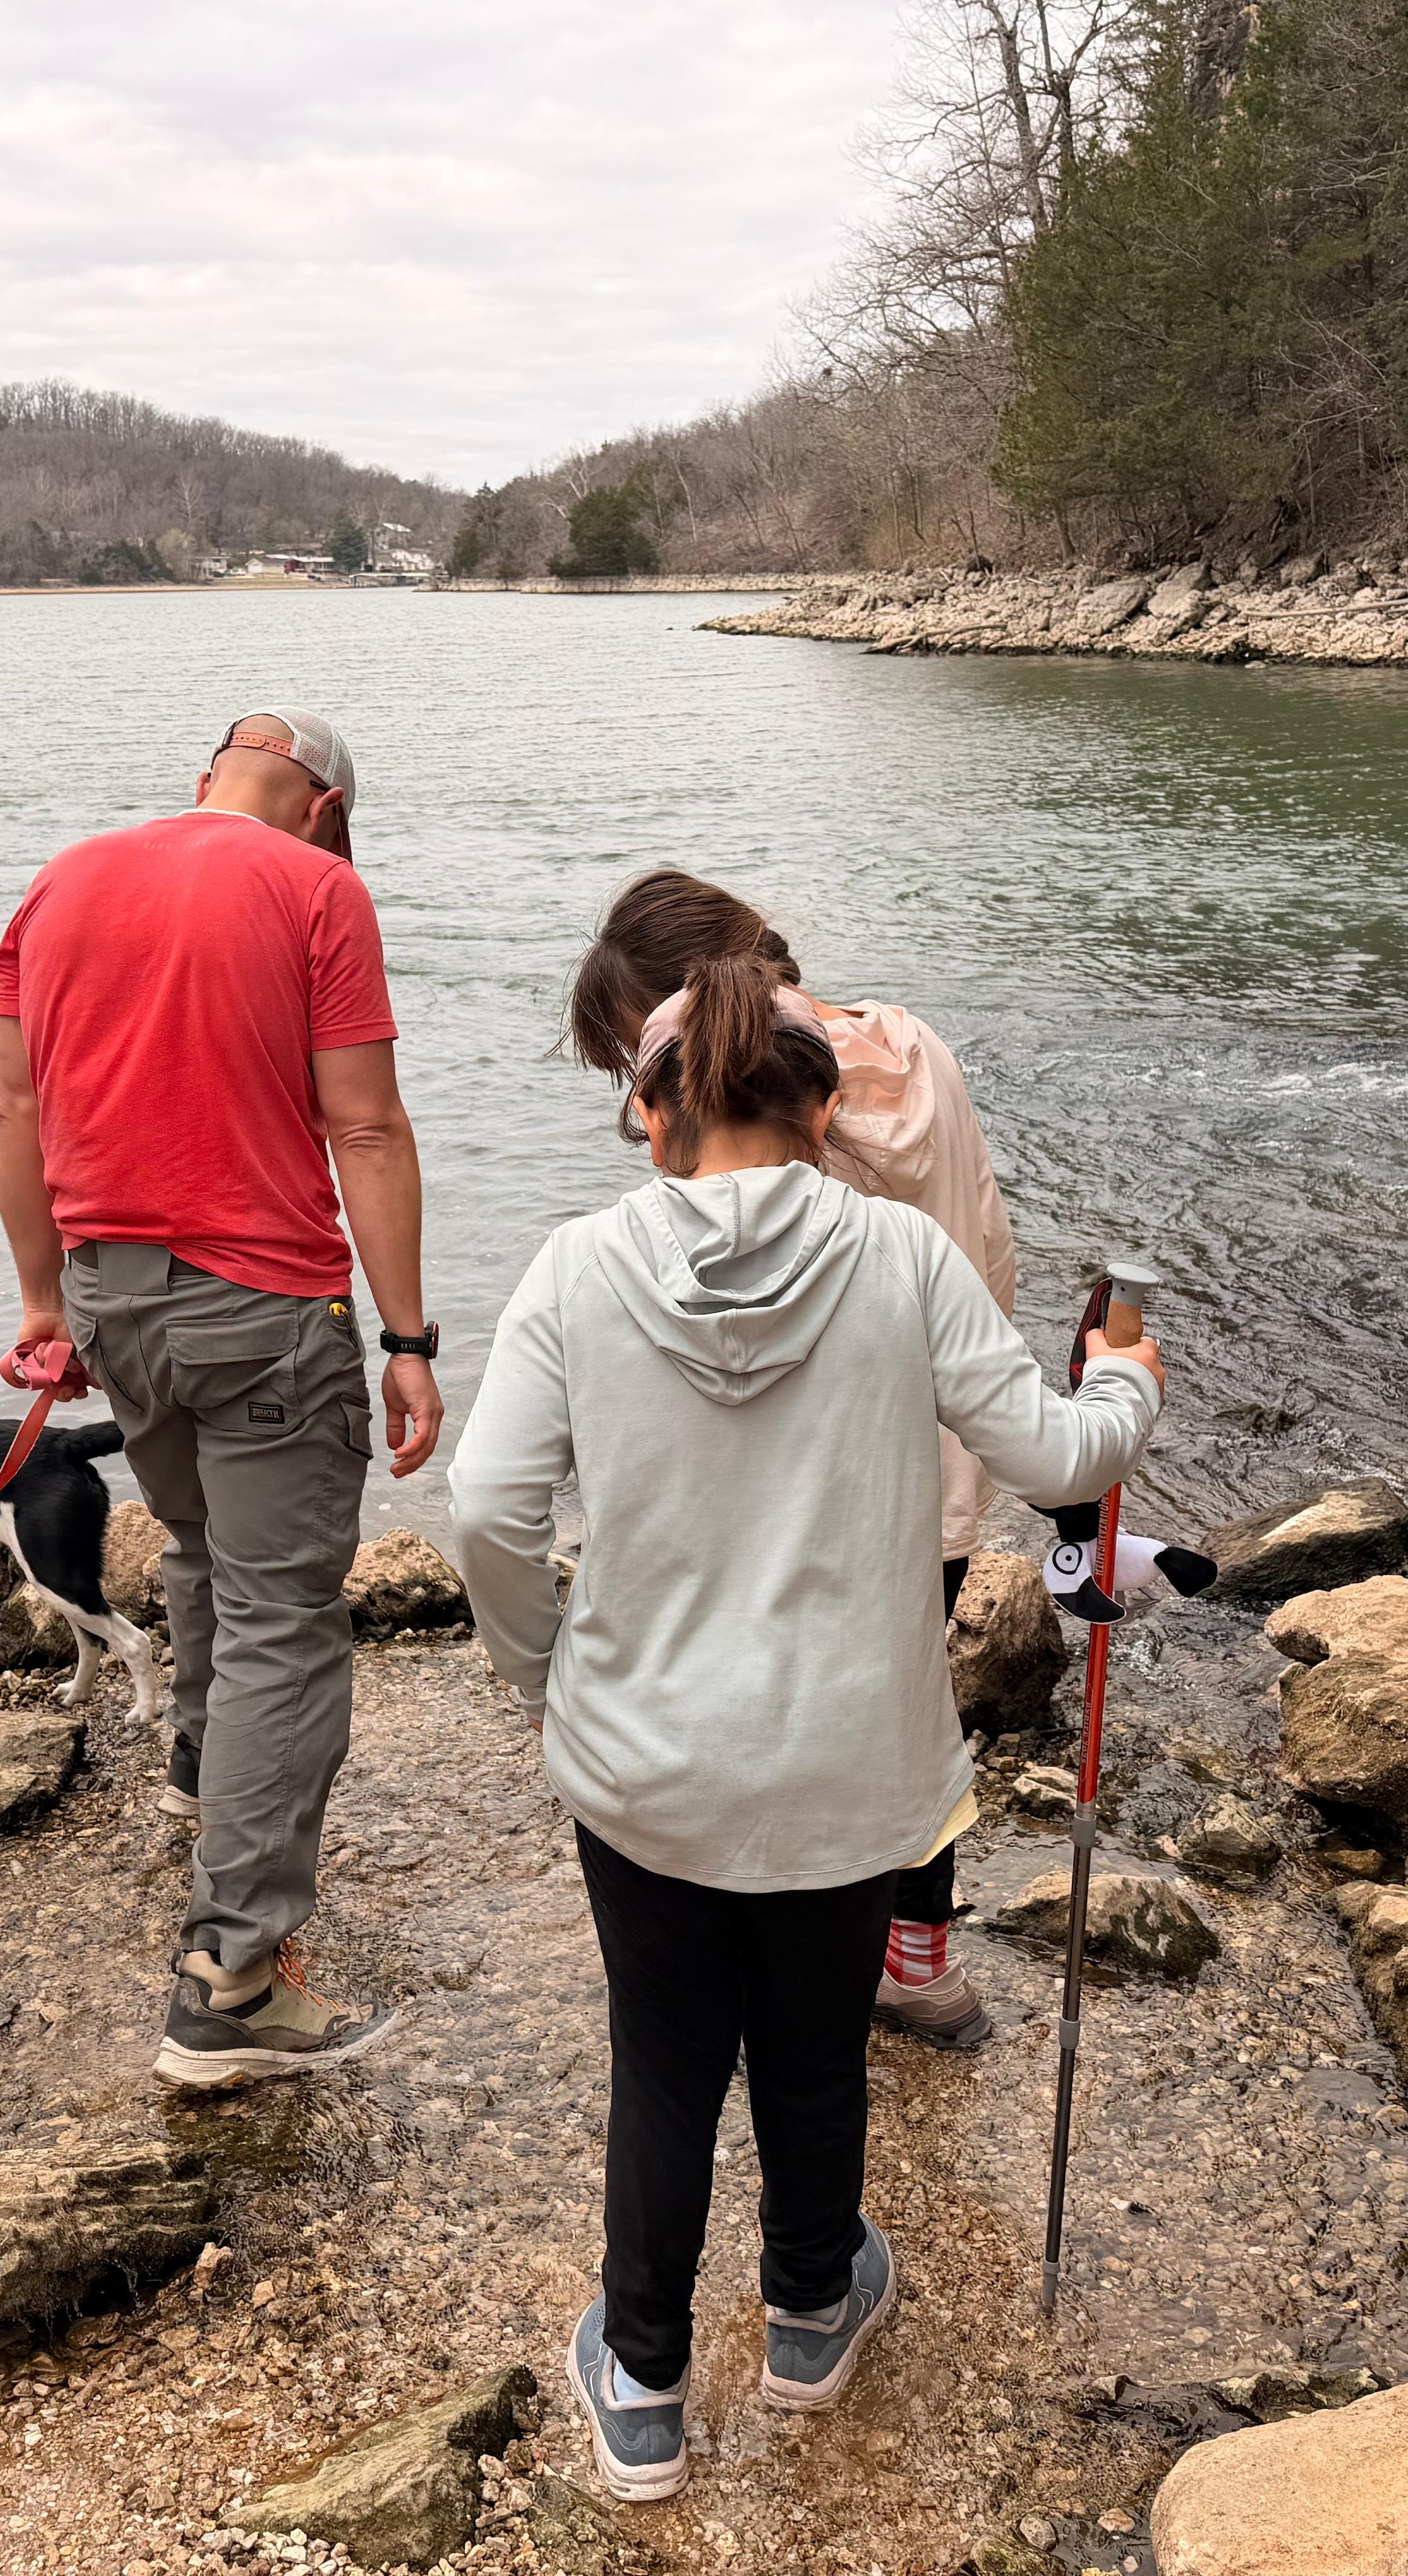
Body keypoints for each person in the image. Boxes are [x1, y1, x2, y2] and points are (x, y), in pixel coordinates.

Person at [450, 955, 1162, 2499]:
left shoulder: (576, 1268)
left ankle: (641, 2382)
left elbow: (488, 1511)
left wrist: (545, 1674)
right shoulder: (904, 1261)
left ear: (647, 1117)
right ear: (826, 1112)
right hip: (853, 1758)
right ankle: (807, 2312)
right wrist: (1126, 1384)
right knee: (816, 2057)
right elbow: (1054, 1456)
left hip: (644, 1764)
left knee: (663, 2060)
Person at [0, 708, 441, 2087]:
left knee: (196, 1551)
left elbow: (16, 1111)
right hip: (263, 1314)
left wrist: (45, 1304)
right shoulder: (319, 888)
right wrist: (409, 1335)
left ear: (205, 783)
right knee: (283, 1623)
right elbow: (362, 1123)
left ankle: (199, 1779)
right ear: (319, 810)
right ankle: (232, 1984)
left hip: (112, 1296)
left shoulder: (60, 879)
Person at [566, 870, 1017, 2048]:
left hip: (828, 1479)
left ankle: (783, 1938)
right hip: (943, 1458)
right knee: (912, 1705)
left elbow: (745, 1321)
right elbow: (990, 1234)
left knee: (804, 1708)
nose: (648, 1093)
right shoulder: (915, 1045)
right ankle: (921, 1965)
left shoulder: (781, 1119)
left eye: (639, 1055)